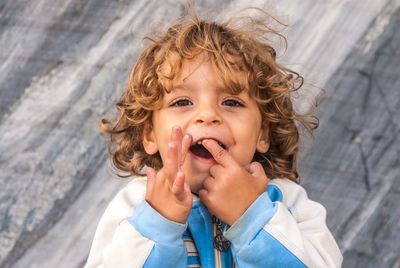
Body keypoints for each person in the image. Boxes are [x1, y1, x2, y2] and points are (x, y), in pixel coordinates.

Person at [84, 8, 343, 268]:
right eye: (182, 101)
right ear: (149, 135)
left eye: (231, 102)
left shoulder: (288, 202)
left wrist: (251, 217)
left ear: (262, 133)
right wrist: (158, 224)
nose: (208, 115)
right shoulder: (135, 207)